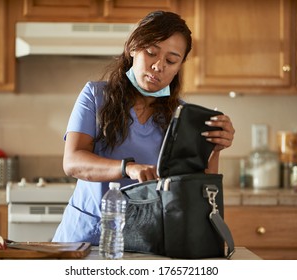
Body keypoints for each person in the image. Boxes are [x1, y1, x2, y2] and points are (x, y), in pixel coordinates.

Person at [52, 10, 235, 245]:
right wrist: (128, 168)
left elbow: (196, 189)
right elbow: (73, 162)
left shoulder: (182, 115)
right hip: (84, 237)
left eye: (171, 60)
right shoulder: (95, 96)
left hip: (145, 240)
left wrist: (214, 147)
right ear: (133, 48)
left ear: (179, 66)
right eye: (151, 53)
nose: (159, 66)